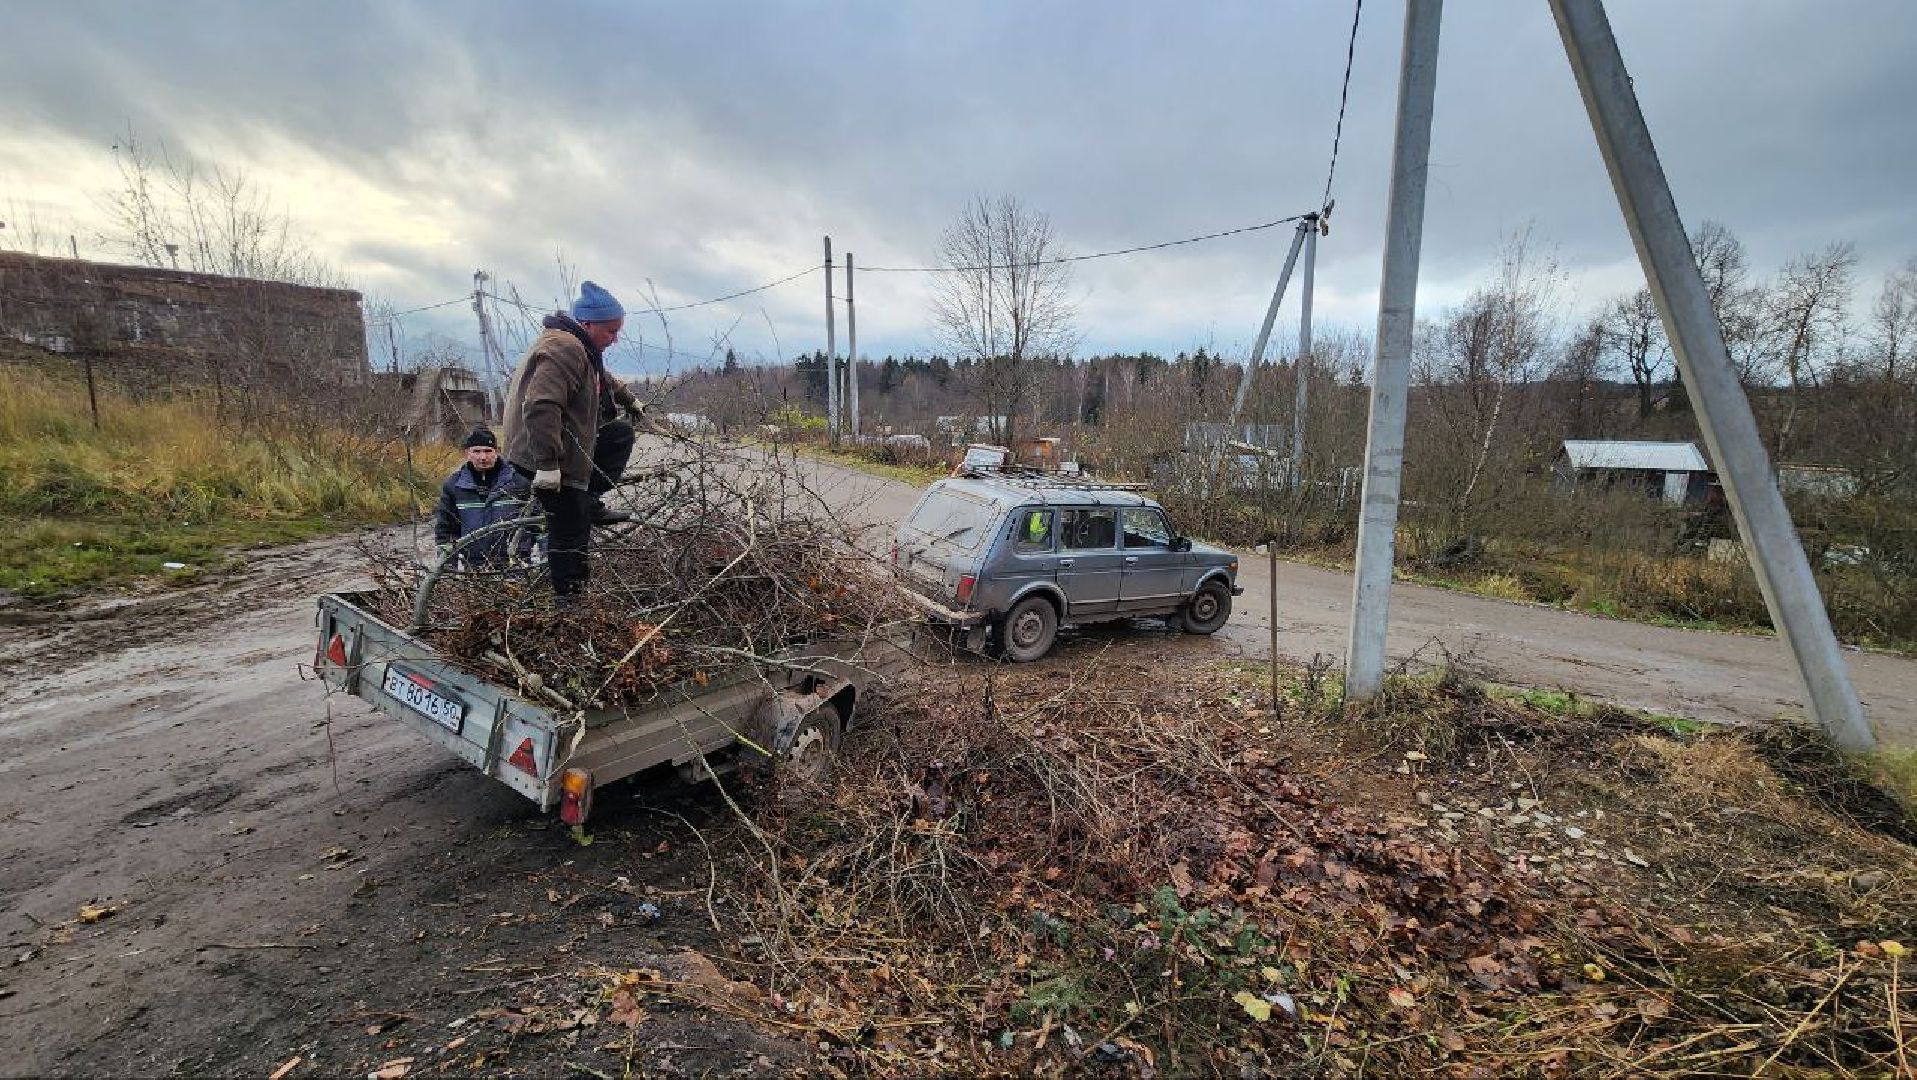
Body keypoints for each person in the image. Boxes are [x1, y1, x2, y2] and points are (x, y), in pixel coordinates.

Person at [501, 281, 635, 597]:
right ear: (588, 324)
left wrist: (630, 401)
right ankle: (570, 602)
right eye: (610, 332)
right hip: (544, 454)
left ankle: (587, 499)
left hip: (562, 446)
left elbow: (603, 378)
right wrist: (547, 465)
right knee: (570, 530)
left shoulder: (577, 346)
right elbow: (541, 404)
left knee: (618, 435)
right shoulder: (565, 348)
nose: (614, 339)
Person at [433, 427, 531, 567]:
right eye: (477, 451)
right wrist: (449, 570)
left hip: (514, 565)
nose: (483, 457)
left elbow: (536, 526)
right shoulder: (454, 486)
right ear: (467, 453)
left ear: (497, 452)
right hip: (473, 568)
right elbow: (445, 531)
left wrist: (526, 555)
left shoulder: (518, 483)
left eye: (487, 451)